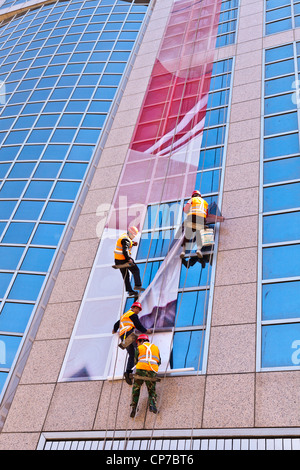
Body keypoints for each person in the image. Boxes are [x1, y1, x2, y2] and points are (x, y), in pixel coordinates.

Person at [112, 301, 151, 385]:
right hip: (129, 334)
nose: (137, 310)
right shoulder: (133, 315)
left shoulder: (124, 316)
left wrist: (114, 330)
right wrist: (146, 331)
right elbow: (138, 325)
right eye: (136, 308)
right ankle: (142, 369)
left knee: (132, 355)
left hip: (123, 338)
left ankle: (128, 372)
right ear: (132, 308)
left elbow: (116, 324)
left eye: (138, 309)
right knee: (140, 349)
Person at [130, 334, 161, 418]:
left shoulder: (139, 348)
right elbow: (159, 362)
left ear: (141, 341)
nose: (137, 344)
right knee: (151, 389)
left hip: (141, 370)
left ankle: (134, 407)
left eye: (138, 342)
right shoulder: (156, 348)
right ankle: (152, 405)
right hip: (152, 371)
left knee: (136, 388)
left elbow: (136, 361)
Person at [114, 226, 144, 298]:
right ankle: (137, 285)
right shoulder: (126, 240)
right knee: (135, 270)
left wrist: (133, 243)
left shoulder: (124, 237)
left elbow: (125, 244)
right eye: (134, 235)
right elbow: (125, 250)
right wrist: (128, 259)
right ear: (131, 233)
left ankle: (130, 291)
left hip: (118, 261)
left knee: (126, 276)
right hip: (124, 260)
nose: (134, 237)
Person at [180, 190, 208, 259]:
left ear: (193, 195)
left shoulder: (192, 200)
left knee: (188, 233)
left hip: (192, 217)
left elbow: (185, 209)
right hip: (201, 218)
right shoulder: (205, 202)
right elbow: (206, 214)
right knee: (199, 233)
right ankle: (198, 250)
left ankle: (183, 251)